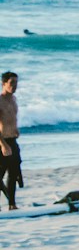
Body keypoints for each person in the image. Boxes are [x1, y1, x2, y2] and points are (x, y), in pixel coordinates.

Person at [0, 71, 20, 212]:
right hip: (2, 142)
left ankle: (12, 204)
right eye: (11, 83)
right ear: (4, 83)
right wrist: (3, 144)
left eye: (16, 83)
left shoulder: (14, 99)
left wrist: (16, 129)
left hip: (12, 140)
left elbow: (12, 118)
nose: (14, 86)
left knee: (14, 173)